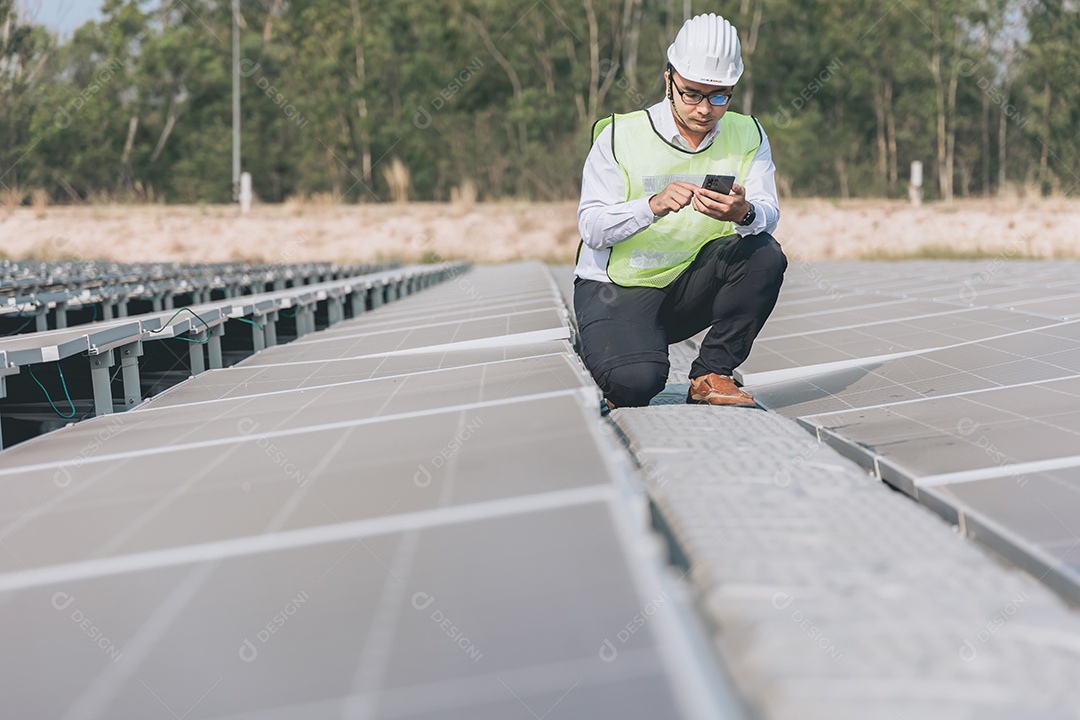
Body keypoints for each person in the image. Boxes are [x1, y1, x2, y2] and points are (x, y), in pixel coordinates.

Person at [573, 12, 786, 408]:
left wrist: (743, 213)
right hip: (618, 288)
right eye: (692, 94)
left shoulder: (748, 134)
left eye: (719, 96)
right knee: (634, 385)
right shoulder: (619, 135)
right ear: (669, 78)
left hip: (688, 289)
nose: (705, 108)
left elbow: (768, 211)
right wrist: (651, 206)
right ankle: (614, 346)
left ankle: (711, 373)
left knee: (764, 253)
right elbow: (592, 228)